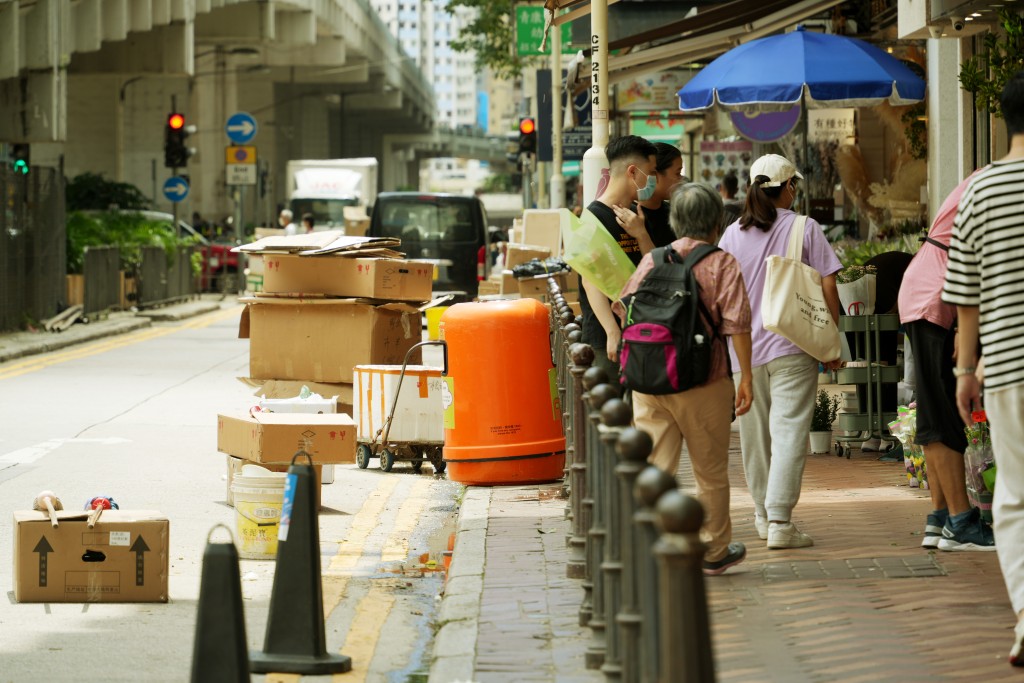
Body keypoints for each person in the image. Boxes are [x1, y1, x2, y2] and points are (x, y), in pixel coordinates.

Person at [614, 183, 754, 576]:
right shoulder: (722, 263)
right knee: (710, 472)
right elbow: (737, 326)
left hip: (650, 381)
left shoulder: (653, 259)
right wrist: (745, 379)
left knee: (657, 468)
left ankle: (652, 545)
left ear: (676, 221)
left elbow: (622, 305)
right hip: (702, 381)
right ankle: (713, 550)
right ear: (716, 222)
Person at [718, 154, 842, 550]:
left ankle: (761, 515)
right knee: (789, 433)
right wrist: (831, 339)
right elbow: (828, 288)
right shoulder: (805, 228)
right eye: (795, 187)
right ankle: (780, 521)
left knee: (755, 438)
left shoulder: (731, 234)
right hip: (794, 345)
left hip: (744, 352)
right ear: (788, 187)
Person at [943, 70, 1024, 666]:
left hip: (1008, 365)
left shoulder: (980, 189)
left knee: (1016, 497)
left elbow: (964, 293)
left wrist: (965, 367)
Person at [898, 172, 994, 552]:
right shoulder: (1003, 182)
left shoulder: (986, 177)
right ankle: (961, 520)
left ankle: (940, 517)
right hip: (940, 297)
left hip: (927, 290)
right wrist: (962, 331)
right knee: (941, 415)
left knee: (933, 412)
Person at [578, 135, 659, 378]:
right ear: (633, 172)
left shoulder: (637, 215)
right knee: (609, 411)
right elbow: (589, 280)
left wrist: (642, 234)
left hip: (640, 332)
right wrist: (612, 332)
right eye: (651, 171)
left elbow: (655, 268)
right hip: (607, 340)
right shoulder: (592, 218)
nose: (653, 179)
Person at [612, 142, 686, 250]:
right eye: (677, 173)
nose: (681, 179)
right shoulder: (627, 217)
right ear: (655, 174)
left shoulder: (676, 214)